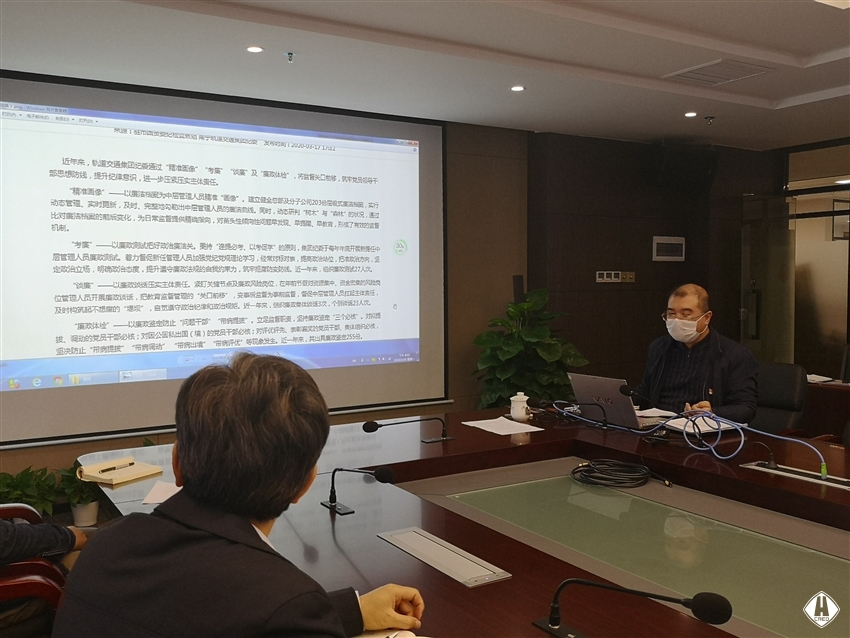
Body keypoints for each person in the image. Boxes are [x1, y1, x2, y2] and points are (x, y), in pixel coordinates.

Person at [53, 353, 424, 637]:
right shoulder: (283, 600)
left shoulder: (106, 548)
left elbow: (205, 615)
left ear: (177, 463)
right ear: (305, 484)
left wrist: (350, 611)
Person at [635, 284, 758, 423]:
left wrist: (712, 412)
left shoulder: (735, 355)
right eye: (671, 314)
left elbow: (746, 409)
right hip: (658, 427)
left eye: (686, 314)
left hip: (702, 429)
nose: (677, 320)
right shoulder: (659, 347)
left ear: (707, 318)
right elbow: (645, 393)